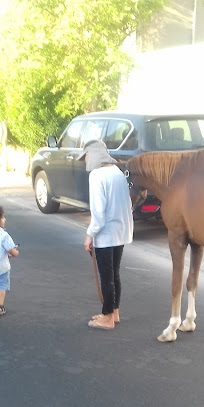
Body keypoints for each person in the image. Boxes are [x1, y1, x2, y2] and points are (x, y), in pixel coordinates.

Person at [80, 139, 133, 330]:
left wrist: (89, 235)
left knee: (106, 277)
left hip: (106, 233)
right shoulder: (117, 172)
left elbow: (98, 213)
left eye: (85, 156)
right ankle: (113, 312)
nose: (85, 160)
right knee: (114, 275)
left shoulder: (96, 175)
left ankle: (107, 317)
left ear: (92, 155)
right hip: (120, 231)